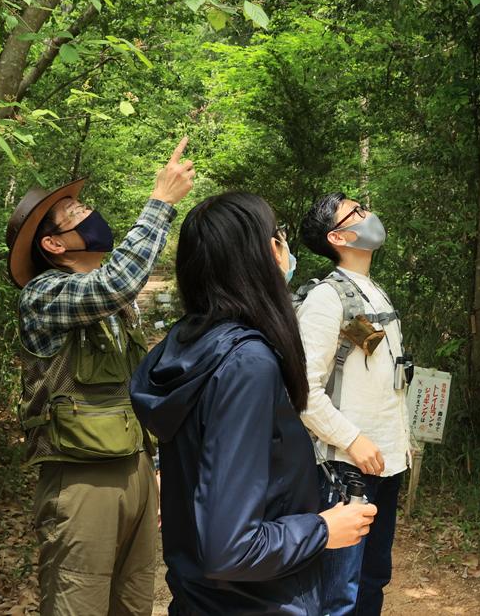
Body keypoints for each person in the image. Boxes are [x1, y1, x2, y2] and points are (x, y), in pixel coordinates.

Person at [130, 191, 377, 615]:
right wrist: (322, 529)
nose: (285, 249)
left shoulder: (190, 343)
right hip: (256, 601)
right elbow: (231, 546)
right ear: (261, 256)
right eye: (277, 236)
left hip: (201, 598)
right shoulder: (246, 363)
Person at [4, 137, 195, 615]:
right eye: (76, 214)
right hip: (80, 481)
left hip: (132, 471)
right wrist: (160, 204)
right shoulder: (45, 296)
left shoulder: (117, 309)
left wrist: (152, 469)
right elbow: (116, 282)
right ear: (53, 243)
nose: (90, 215)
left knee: (133, 603)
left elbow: (135, 393)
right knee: (78, 603)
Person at [296, 193, 412, 616]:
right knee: (339, 591)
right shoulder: (326, 299)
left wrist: (399, 445)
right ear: (339, 236)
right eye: (357, 211)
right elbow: (303, 391)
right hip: (346, 468)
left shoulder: (375, 292)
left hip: (387, 460)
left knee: (373, 579)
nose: (369, 214)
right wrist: (353, 440)